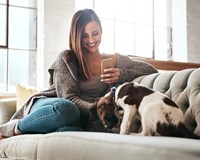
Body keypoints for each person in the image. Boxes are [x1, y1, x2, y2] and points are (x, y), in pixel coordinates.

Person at [0, 9, 158, 139]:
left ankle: (41, 131)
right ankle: (12, 128)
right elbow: (67, 97)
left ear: (101, 32)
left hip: (82, 119)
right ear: (76, 36)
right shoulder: (67, 58)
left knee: (70, 131)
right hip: (51, 105)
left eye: (95, 33)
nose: (91, 40)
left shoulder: (114, 59)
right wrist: (97, 108)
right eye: (84, 35)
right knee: (67, 109)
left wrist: (121, 74)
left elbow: (150, 70)